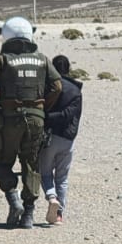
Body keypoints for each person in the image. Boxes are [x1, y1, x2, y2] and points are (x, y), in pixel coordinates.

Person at [0, 16, 62, 229]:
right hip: (36, 119)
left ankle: (14, 201)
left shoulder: (2, 59)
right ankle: (28, 215)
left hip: (9, 119)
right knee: (31, 164)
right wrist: (42, 107)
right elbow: (57, 86)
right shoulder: (42, 59)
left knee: (3, 161)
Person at [38, 54, 81, 225]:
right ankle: (58, 215)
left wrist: (46, 118)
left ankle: (51, 197)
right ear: (68, 69)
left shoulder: (48, 87)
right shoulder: (76, 90)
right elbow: (71, 115)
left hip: (50, 136)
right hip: (68, 139)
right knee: (62, 177)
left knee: (45, 172)